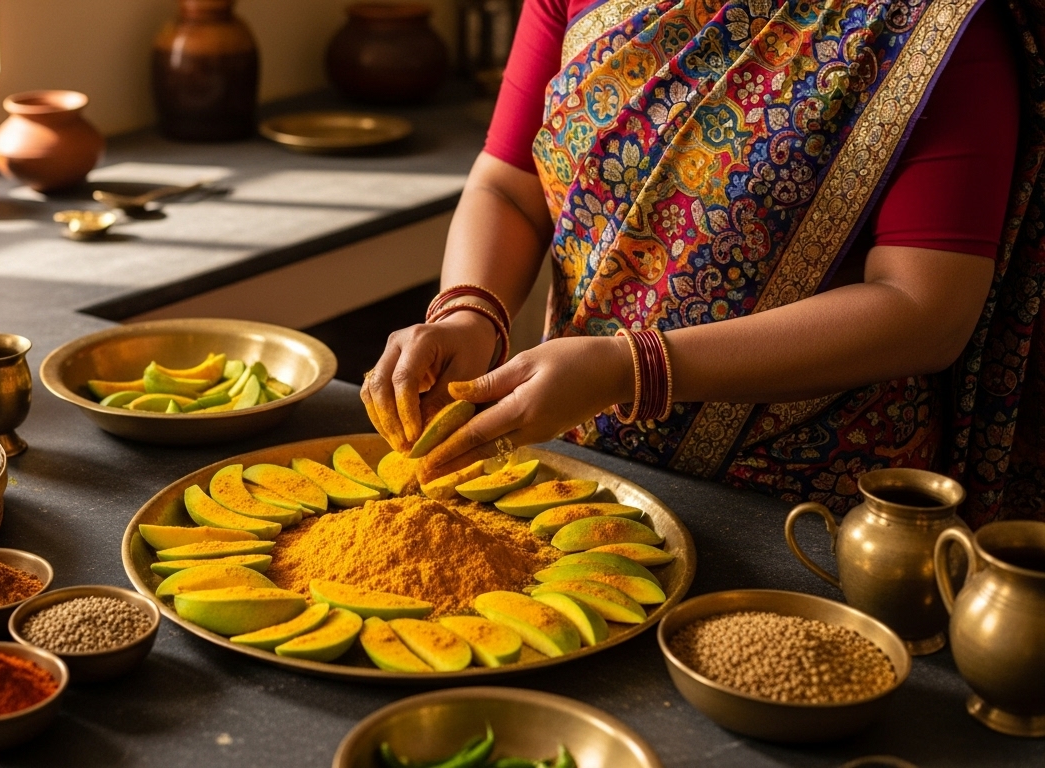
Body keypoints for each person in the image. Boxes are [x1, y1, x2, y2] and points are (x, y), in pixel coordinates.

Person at [361, 0, 1045, 526]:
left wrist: (631, 369)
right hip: (572, 468)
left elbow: (925, 309)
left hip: (798, 514)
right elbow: (508, 184)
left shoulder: (932, 28)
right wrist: (468, 313)